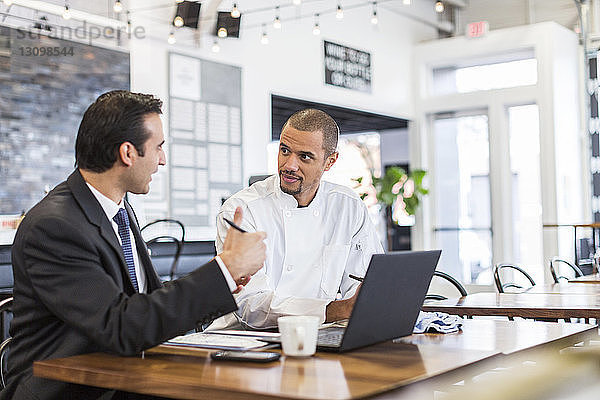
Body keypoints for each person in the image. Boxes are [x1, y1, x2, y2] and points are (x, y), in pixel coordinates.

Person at [2, 90, 266, 399]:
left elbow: (146, 304)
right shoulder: (54, 226)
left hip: (123, 380)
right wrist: (225, 269)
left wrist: (219, 275)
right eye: (159, 147)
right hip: (70, 392)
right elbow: (121, 325)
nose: (162, 160)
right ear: (128, 153)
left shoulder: (119, 210)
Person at [210, 109, 384, 330]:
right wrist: (334, 310)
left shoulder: (347, 205)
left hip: (319, 333)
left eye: (304, 156)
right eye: (284, 150)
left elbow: (364, 285)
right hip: (243, 342)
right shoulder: (242, 210)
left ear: (330, 161)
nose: (289, 165)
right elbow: (249, 307)